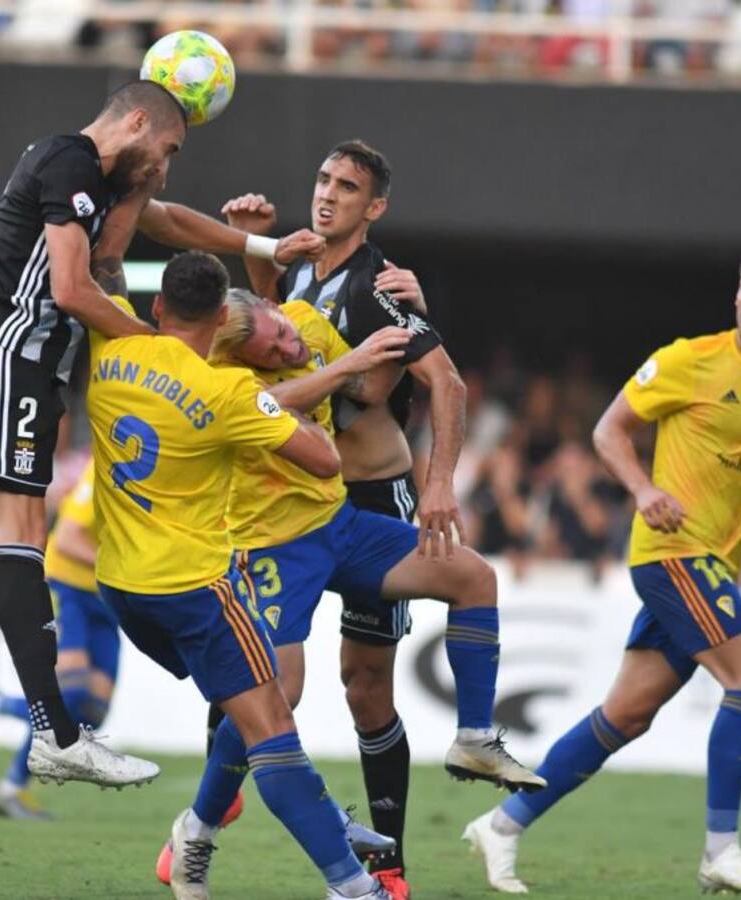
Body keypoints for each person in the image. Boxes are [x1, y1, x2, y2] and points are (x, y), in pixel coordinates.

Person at [0, 78, 326, 856]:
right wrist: (152, 350)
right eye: (171, 149)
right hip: (5, 351)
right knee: (23, 538)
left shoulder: (90, 177)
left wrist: (256, 247)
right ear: (140, 121)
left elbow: (167, 223)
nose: (169, 165)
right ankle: (56, 730)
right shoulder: (72, 160)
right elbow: (73, 287)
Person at [155, 290, 544, 890]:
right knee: (276, 693)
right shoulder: (218, 377)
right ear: (242, 357)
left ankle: (473, 737)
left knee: (473, 576)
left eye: (282, 329)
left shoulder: (306, 318)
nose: (289, 343)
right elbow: (286, 396)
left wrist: (409, 323)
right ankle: (198, 829)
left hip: (342, 526)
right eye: (272, 349)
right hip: (271, 548)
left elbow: (367, 388)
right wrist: (344, 365)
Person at [463, 241, 741, 895]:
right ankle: (721, 850)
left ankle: (503, 825)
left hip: (715, 564)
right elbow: (608, 430)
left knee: (625, 715)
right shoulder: (690, 359)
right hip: (671, 553)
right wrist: (643, 490)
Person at [90, 251, 389, 900]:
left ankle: (196, 832)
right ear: (224, 316)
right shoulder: (228, 393)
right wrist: (270, 412)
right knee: (273, 724)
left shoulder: (108, 343)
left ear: (159, 306)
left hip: (119, 586)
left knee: (252, 704)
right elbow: (324, 460)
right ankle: (351, 886)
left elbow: (93, 272)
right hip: (195, 588)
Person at [223, 139, 469, 897]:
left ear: (375, 207)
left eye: (348, 186)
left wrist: (438, 483)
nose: (328, 194)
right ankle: (213, 799)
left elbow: (445, 381)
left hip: (370, 499)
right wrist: (257, 255)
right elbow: (272, 346)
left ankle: (387, 862)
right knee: (265, 674)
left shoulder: (380, 283)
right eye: (324, 179)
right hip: (293, 505)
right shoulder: (298, 265)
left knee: (365, 686)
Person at [0, 458, 120, 821]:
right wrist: (118, 569)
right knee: (70, 694)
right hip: (68, 586)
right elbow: (68, 538)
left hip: (106, 598)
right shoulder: (109, 470)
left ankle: (10, 785)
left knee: (92, 712)